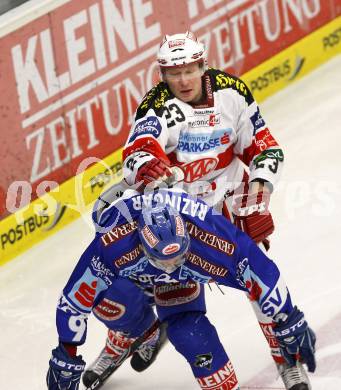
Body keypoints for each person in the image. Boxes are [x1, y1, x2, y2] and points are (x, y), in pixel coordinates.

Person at [121, 31, 297, 386]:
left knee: (261, 286)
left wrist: (258, 192)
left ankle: (286, 359)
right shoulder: (155, 106)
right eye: (173, 72)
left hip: (230, 202)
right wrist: (145, 166)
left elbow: (264, 145)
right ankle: (128, 336)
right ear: (162, 75)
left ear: (204, 65)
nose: (183, 79)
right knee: (148, 287)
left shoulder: (232, 90)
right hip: (179, 217)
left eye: (190, 69)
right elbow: (136, 150)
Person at [47, 188, 316, 390]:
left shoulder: (211, 235)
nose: (170, 266)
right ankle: (140, 331)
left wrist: (287, 316)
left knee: (191, 335)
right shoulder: (113, 242)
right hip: (133, 277)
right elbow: (76, 298)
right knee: (108, 302)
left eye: (177, 256)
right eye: (163, 259)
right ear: (140, 242)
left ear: (187, 232)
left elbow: (261, 270)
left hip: (182, 283)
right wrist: (67, 350)